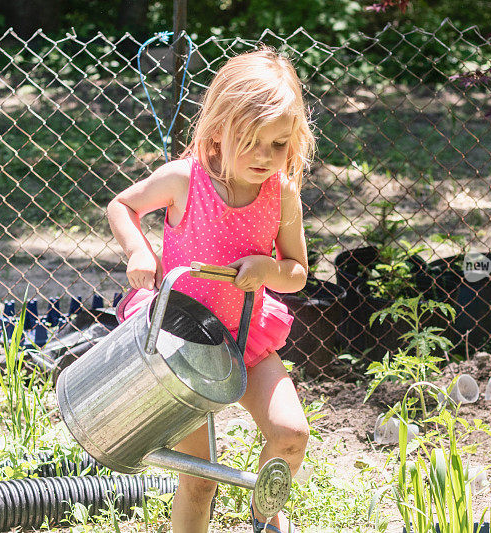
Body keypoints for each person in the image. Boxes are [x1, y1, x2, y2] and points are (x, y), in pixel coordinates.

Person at [106, 47, 315, 533]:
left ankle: (266, 514)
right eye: (250, 142)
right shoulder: (186, 180)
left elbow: (298, 272)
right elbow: (122, 206)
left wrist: (268, 269)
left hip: (245, 337)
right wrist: (139, 252)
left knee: (291, 433)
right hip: (181, 343)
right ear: (218, 130)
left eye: (279, 144)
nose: (265, 157)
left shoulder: (281, 194)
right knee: (199, 478)